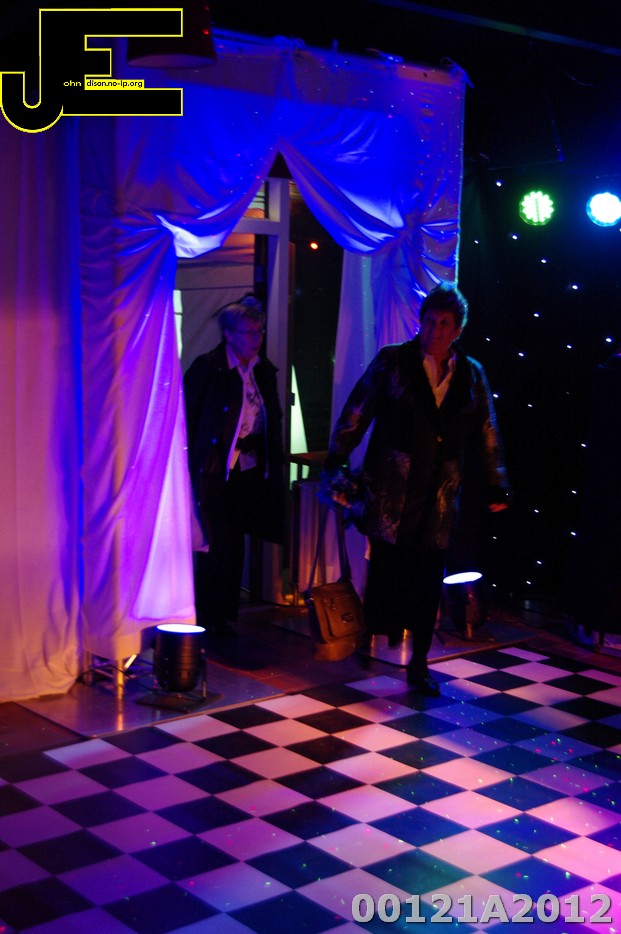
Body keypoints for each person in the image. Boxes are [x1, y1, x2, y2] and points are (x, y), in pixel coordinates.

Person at [324, 283, 510, 695]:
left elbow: (486, 430)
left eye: (443, 324)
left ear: (457, 329)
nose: (434, 330)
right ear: (420, 322)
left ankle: (419, 662)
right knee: (388, 567)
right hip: (394, 486)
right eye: (429, 321)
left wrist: (497, 484)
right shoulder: (393, 361)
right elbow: (357, 412)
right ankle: (374, 637)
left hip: (440, 493)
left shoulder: (470, 373)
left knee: (428, 578)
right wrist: (336, 461)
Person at [183, 295, 285, 642]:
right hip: (215, 470)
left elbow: (268, 421)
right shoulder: (209, 368)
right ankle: (206, 615)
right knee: (216, 543)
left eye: (259, 331)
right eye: (248, 332)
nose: (256, 338)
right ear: (229, 334)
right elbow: (189, 417)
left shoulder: (262, 371)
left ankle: (224, 615)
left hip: (248, 469)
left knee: (236, 542)